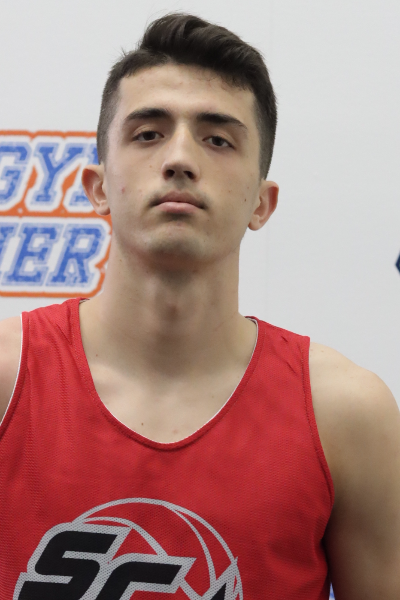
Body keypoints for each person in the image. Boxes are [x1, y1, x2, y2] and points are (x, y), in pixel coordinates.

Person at [0, 13, 399, 600]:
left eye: (218, 139)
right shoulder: (7, 377)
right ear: (98, 187)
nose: (180, 159)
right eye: (148, 134)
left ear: (262, 203)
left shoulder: (346, 414)